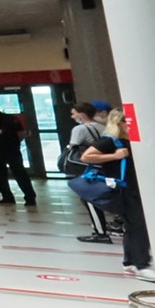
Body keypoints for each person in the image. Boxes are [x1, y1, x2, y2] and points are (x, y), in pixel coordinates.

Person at [82, 110, 153, 282]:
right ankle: (141, 265)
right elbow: (87, 156)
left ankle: (130, 262)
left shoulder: (128, 141)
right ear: (120, 123)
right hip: (125, 189)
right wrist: (115, 156)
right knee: (138, 226)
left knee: (132, 225)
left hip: (133, 188)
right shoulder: (110, 141)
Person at [66, 103, 111, 242]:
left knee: (88, 197)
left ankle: (100, 232)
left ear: (82, 115)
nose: (72, 116)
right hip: (105, 165)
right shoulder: (102, 127)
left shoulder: (79, 129)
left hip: (90, 167)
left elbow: (72, 146)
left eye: (74, 113)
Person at [0, 101, 36, 205]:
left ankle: (30, 197)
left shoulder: (10, 119)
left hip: (11, 151)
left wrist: (14, 144)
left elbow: (20, 134)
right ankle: (7, 197)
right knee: (0, 175)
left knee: (19, 173)